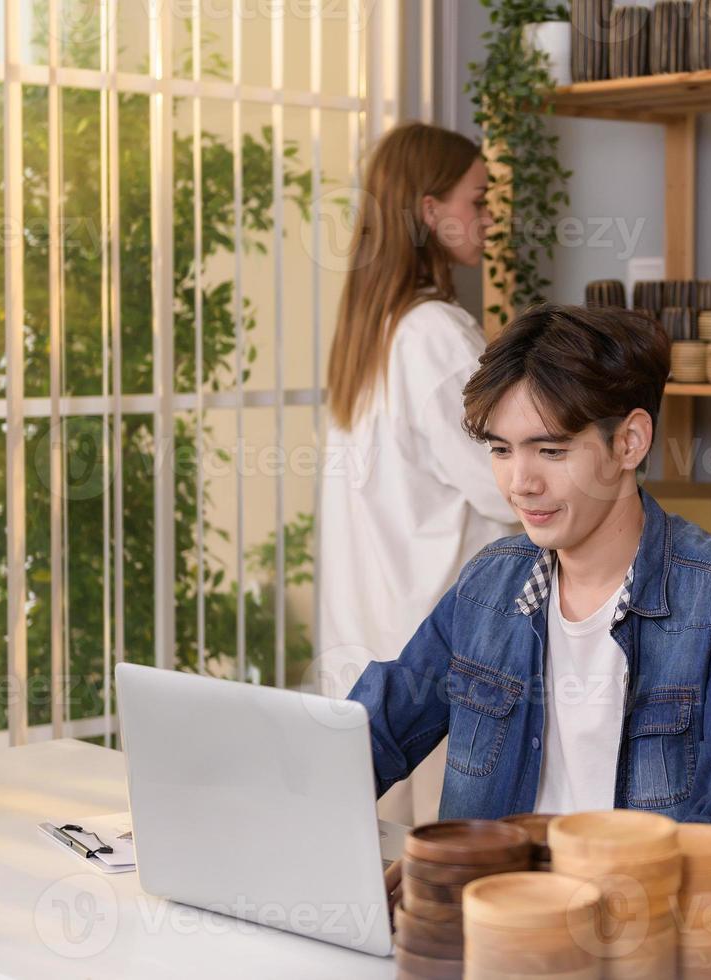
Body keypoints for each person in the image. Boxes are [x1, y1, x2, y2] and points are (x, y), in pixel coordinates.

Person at [347, 304, 711, 875]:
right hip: (489, 937)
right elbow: (374, 734)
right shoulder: (488, 585)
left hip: (638, 946)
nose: (521, 482)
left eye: (551, 450)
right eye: (500, 449)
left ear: (630, 442)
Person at [317, 123, 517, 826]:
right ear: (430, 210)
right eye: (479, 198)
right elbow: (509, 484)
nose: (490, 215)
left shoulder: (369, 333)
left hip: (367, 658)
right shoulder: (435, 334)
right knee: (447, 890)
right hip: (433, 665)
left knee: (387, 887)